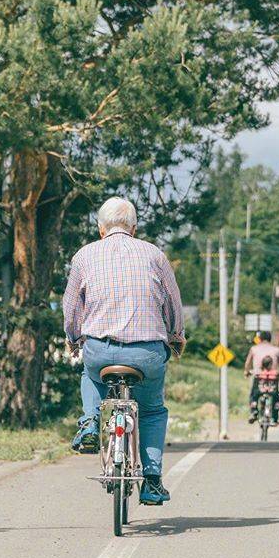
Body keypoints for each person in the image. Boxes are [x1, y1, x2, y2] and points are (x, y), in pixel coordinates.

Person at [63, 196, 185, 505]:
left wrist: (73, 337)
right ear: (134, 227)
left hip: (100, 351)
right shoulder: (155, 255)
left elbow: (71, 307)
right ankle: (153, 481)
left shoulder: (84, 256)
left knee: (90, 376)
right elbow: (173, 303)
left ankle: (90, 422)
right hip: (147, 355)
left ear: (101, 228)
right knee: (153, 410)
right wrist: (176, 335)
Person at [243, 330, 279, 424]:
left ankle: (253, 411)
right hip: (273, 379)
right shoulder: (276, 350)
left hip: (259, 377)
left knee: (253, 395)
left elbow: (247, 363)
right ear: (270, 339)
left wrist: (246, 372)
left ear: (259, 339)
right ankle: (275, 417)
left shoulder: (254, 349)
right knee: (276, 396)